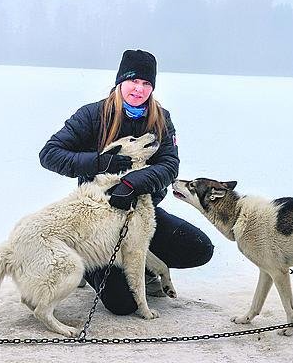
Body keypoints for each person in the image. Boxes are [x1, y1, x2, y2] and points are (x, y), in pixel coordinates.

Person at [39, 49, 214, 315]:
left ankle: (141, 261)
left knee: (199, 249)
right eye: (133, 81)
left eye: (146, 83)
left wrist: (133, 183)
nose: (139, 89)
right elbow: (49, 154)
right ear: (120, 81)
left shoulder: (161, 118)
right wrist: (100, 162)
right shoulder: (92, 115)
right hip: (98, 221)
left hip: (141, 211)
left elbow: (169, 165)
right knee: (122, 304)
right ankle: (89, 264)